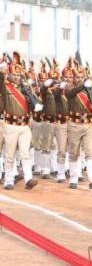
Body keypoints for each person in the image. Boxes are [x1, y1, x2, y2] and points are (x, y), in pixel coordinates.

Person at [0, 53, 38, 189]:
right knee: (10, 155)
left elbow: (35, 101)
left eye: (18, 75)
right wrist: (2, 70)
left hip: (25, 126)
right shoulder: (6, 87)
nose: (16, 77)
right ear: (9, 75)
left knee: (25, 153)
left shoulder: (26, 88)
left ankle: (28, 179)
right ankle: (9, 181)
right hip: (11, 125)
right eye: (14, 75)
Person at [64, 58, 92, 190]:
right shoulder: (70, 87)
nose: (79, 79)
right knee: (74, 153)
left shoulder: (89, 90)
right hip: (74, 124)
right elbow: (70, 93)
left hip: (87, 124)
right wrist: (83, 85)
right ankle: (73, 178)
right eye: (77, 77)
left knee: (89, 153)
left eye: (81, 77)